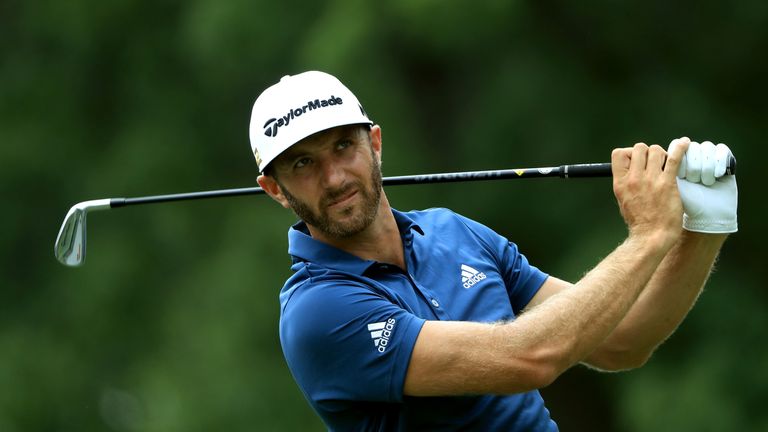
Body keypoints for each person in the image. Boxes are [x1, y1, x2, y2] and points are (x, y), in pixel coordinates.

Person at [248, 71, 738, 431]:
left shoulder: (453, 233)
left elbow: (624, 341)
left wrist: (703, 228)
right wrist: (648, 236)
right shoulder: (318, 311)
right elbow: (530, 358)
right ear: (274, 188)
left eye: (342, 147)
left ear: (374, 143)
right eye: (304, 163)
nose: (334, 178)